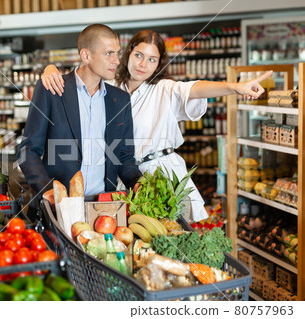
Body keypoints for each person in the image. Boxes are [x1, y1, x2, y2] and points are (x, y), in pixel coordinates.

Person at [41, 29, 272, 222]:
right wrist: (50, 69)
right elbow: (84, 70)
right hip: (126, 177)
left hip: (162, 174)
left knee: (175, 234)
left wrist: (234, 87)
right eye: (139, 55)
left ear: (159, 63)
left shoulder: (164, 89)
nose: (143, 65)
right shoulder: (109, 87)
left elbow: (194, 88)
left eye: (152, 60)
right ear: (127, 53)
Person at [17, 24, 142, 205]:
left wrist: (137, 182)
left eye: (117, 53)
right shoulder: (53, 89)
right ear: (85, 55)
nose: (116, 61)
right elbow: (28, 150)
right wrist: (47, 191)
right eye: (109, 53)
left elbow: (123, 157)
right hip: (59, 205)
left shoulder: (120, 100)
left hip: (102, 207)